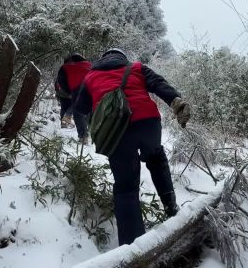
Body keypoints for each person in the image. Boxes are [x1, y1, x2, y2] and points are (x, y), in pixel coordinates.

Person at [75, 48, 191, 245]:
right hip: (148, 123)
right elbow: (158, 84)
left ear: (103, 59)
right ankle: (171, 208)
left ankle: (133, 246)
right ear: (123, 59)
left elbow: (81, 108)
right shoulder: (136, 67)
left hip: (116, 131)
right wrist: (175, 101)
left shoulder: (91, 76)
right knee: (156, 158)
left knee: (126, 187)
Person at [55, 53, 91, 143]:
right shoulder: (90, 65)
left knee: (77, 113)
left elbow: (60, 81)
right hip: (90, 89)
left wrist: (68, 92)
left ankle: (83, 137)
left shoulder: (65, 67)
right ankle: (94, 134)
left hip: (74, 90)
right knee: (88, 112)